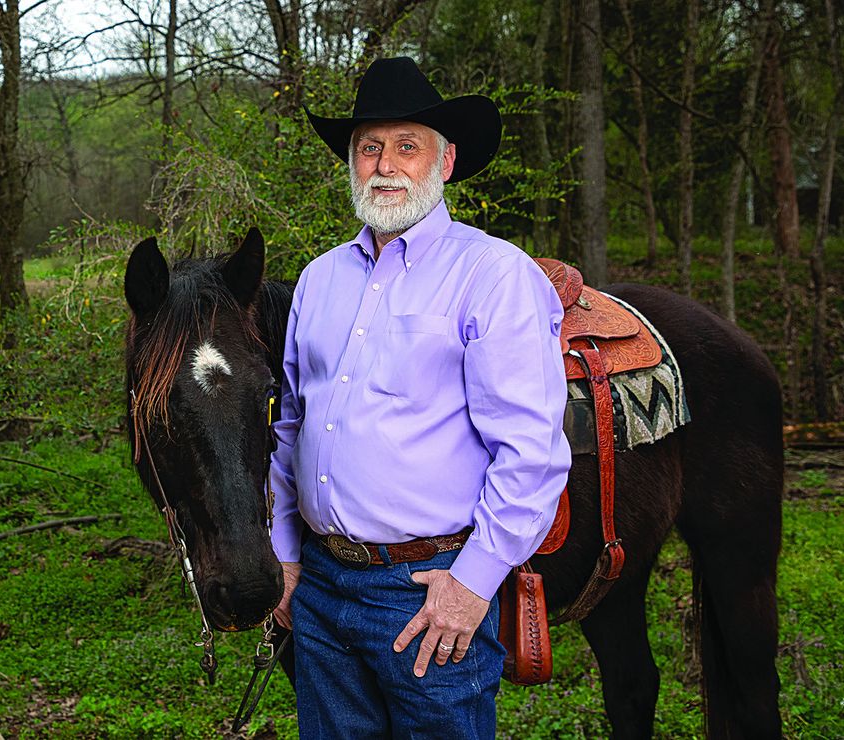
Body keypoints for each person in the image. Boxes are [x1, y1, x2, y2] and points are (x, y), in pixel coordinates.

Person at [269, 57, 571, 739]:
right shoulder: (318, 279)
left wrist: (473, 583)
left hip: (426, 587)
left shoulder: (491, 274)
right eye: (368, 147)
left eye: (407, 146)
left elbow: (529, 451)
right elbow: (289, 427)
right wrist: (284, 551)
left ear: (446, 159)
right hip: (319, 584)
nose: (385, 164)